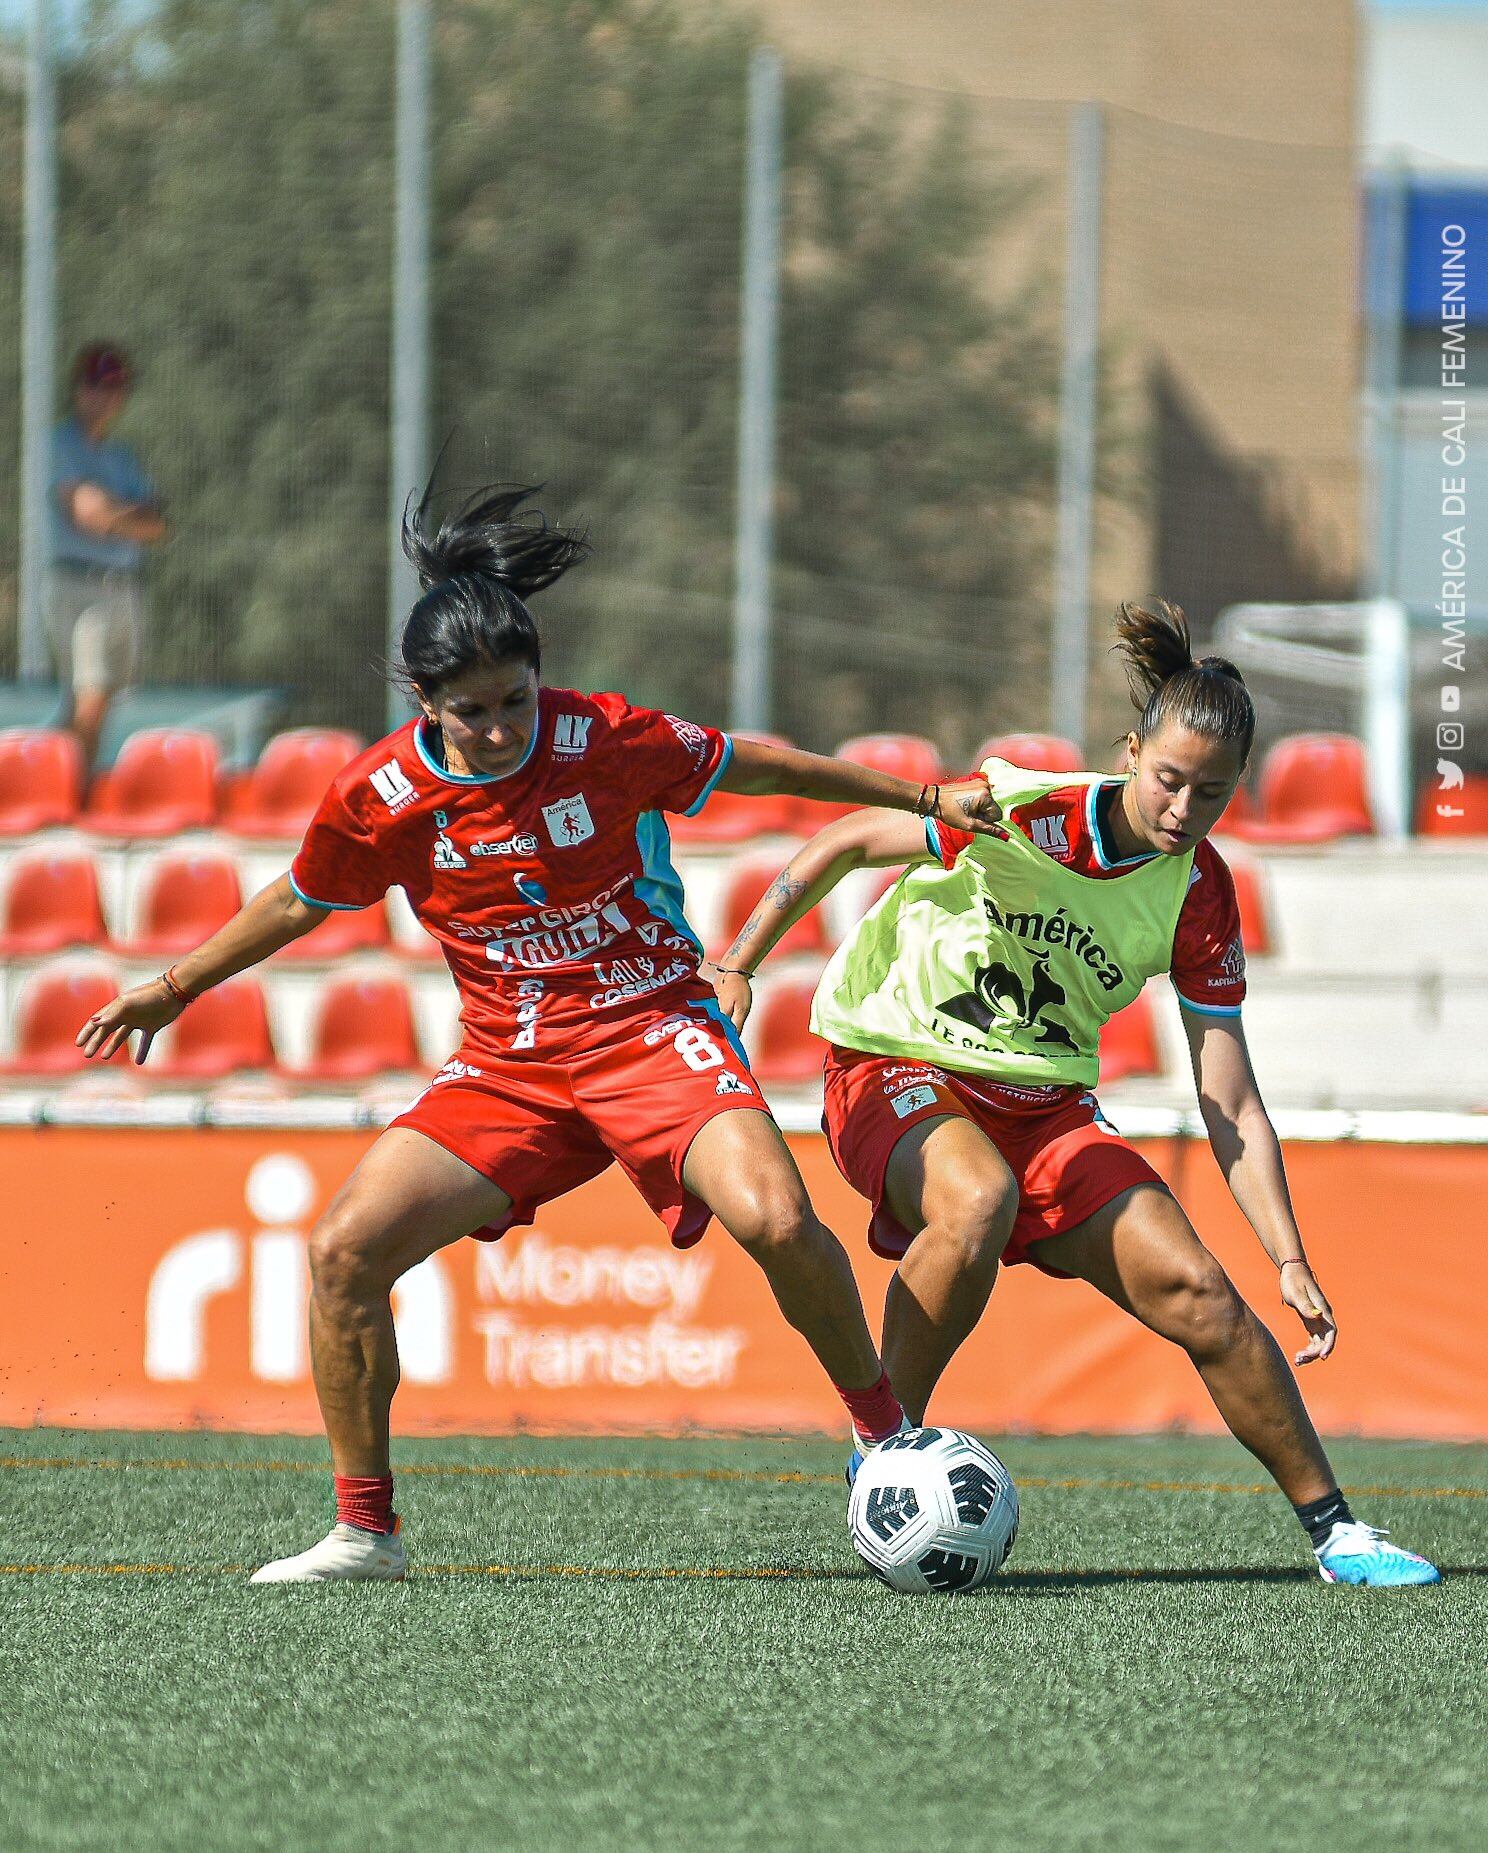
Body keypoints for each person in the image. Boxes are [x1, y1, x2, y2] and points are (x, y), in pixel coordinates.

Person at [77, 483, 997, 1584]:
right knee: (341, 1252)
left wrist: (926, 798)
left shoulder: (604, 735)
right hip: (508, 1063)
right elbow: (300, 899)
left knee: (781, 1216)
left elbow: (771, 765)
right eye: (474, 712)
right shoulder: (381, 794)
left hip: (654, 1025)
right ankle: (366, 1532)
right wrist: (173, 987)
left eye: (516, 698)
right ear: (425, 702)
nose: (503, 727)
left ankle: (880, 1434)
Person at [711, 600, 1441, 1589]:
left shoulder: (1199, 892)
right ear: (1131, 750)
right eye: (1169, 778)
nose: (1184, 808)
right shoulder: (1024, 806)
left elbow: (1228, 1098)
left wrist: (1290, 1255)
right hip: (894, 1056)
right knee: (975, 1199)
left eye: (1212, 795)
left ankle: (1338, 1532)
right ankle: (882, 1449)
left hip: (1043, 1105)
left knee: (1202, 1294)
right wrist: (740, 962)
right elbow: (845, 842)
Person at [49, 343, 169, 771]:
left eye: (115, 388)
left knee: (103, 699)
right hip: (80, 583)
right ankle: (70, 792)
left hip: (121, 585)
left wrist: (111, 510)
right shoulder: (61, 443)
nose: (105, 397)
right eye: (96, 385)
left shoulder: (120, 456)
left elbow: (156, 524)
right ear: (79, 389)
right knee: (90, 696)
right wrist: (126, 513)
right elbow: (85, 513)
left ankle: (56, 780)